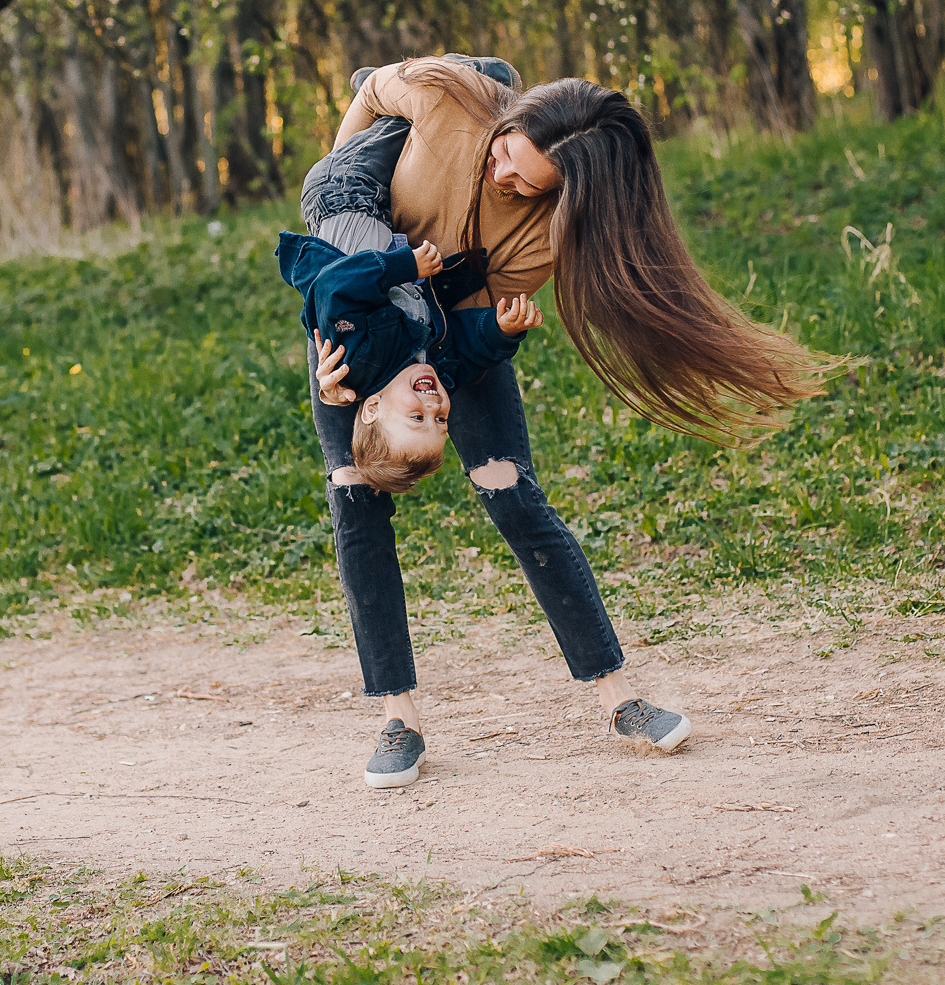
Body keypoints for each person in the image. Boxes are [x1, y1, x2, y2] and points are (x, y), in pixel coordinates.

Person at [310, 55, 824, 790]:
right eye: (508, 156)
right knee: (355, 493)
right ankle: (399, 717)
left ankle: (620, 699)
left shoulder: (547, 232)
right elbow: (367, 98)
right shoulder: (449, 96)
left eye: (529, 184)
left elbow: (471, 320)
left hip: (454, 331)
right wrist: (339, 235)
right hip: (352, 310)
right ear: (512, 119)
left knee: (511, 491)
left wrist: (491, 334)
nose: (505, 180)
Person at [279, 115, 545, 494]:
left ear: (373, 408)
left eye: (417, 417)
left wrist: (405, 266)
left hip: (346, 195)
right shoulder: (434, 367)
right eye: (440, 422)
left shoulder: (357, 358)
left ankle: (387, 90)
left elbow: (333, 288)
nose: (434, 406)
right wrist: (501, 330)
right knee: (434, 135)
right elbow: (465, 347)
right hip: (390, 209)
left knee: (418, 121)